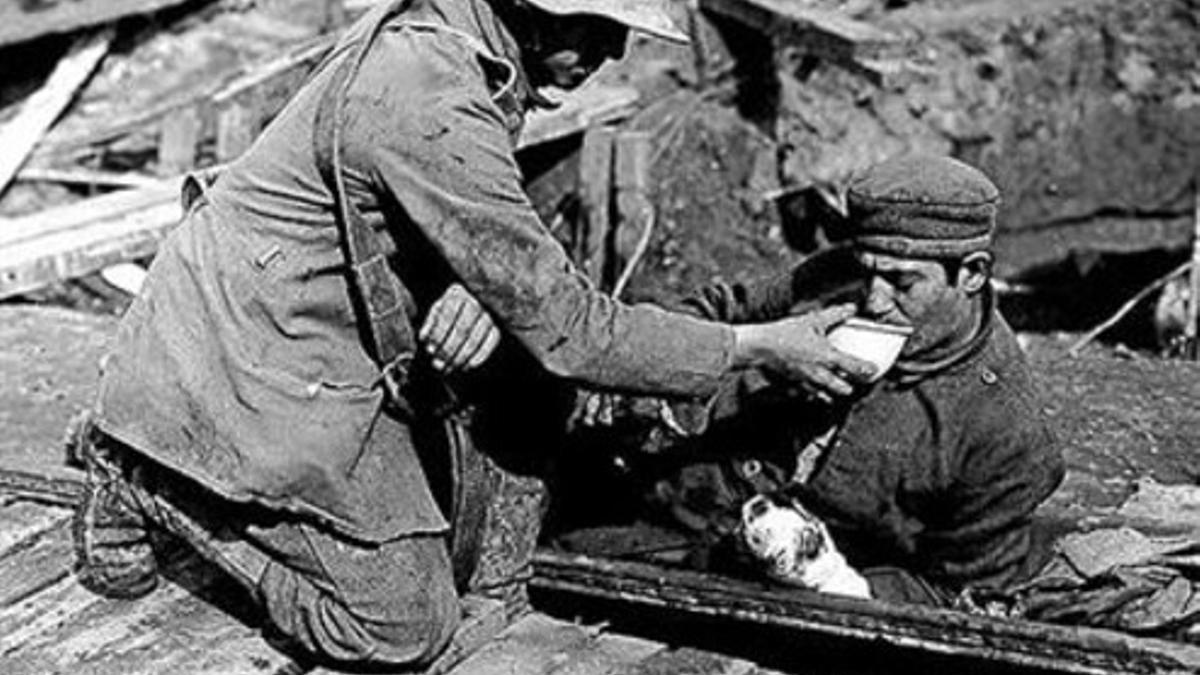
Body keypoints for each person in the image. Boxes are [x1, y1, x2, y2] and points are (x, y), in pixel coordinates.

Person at [71, 0, 878, 669]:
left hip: (302, 317)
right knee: (397, 627)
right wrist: (760, 344)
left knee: (520, 343)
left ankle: (495, 583)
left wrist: (480, 289)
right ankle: (154, 478)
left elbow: (495, 250)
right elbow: (573, 330)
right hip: (246, 351)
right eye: (597, 29)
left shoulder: (462, 45)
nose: (616, 52)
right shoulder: (427, 88)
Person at [428, 154, 1066, 607]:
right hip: (642, 477)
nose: (872, 299)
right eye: (866, 270)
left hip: (726, 575)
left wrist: (829, 578)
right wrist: (660, 372)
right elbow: (716, 307)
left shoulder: (1002, 432)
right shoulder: (845, 277)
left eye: (902, 284)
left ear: (974, 275)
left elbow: (966, 597)